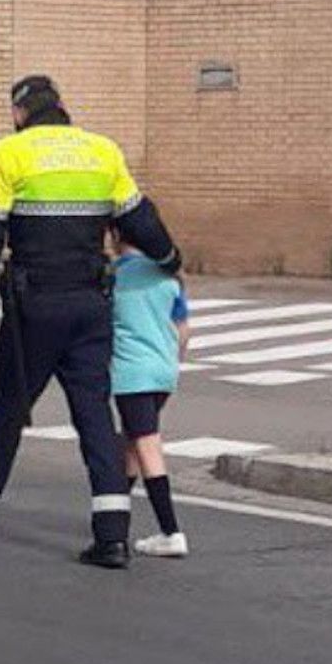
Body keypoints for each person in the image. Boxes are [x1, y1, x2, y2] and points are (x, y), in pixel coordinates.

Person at [0, 75, 183, 570]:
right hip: (91, 305)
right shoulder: (102, 152)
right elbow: (139, 219)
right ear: (63, 107)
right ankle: (112, 537)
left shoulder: (9, 153)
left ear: (19, 114)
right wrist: (171, 258)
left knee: (8, 407)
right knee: (94, 415)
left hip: (34, 309)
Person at [110, 233, 192, 558]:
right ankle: (114, 514)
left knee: (147, 446)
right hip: (164, 371)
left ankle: (170, 530)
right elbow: (184, 330)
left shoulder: (113, 276)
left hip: (132, 373)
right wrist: (174, 362)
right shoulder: (168, 275)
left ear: (116, 236)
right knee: (133, 442)